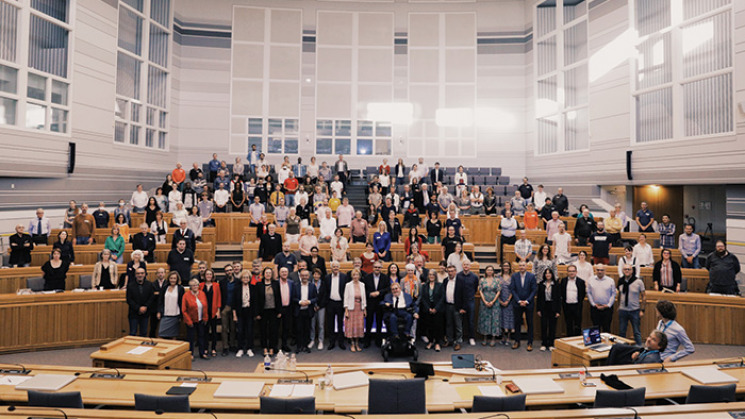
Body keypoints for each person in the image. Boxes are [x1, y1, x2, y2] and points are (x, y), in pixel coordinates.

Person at [510, 261, 537, 351]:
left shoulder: (531, 276)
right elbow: (512, 289)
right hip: (517, 303)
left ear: (526, 267)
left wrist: (526, 301)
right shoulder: (514, 276)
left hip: (528, 303)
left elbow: (534, 290)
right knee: (517, 323)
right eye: (520, 265)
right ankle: (517, 341)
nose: (522, 267)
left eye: (523, 265)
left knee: (530, 323)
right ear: (518, 267)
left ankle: (530, 343)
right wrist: (518, 300)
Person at [617, 264, 645, 345]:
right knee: (622, 332)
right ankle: (622, 350)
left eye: (629, 269)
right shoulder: (620, 281)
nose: (627, 271)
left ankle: (640, 349)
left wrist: (642, 310)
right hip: (623, 310)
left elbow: (644, 296)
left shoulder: (638, 281)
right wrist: (619, 306)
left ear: (632, 271)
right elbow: (619, 295)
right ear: (623, 270)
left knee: (636, 332)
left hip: (635, 310)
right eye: (625, 269)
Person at [231, 270, 257, 358]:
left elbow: (255, 301)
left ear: (249, 278)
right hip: (240, 312)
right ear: (241, 279)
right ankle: (240, 349)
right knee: (240, 331)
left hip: (250, 312)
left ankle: (249, 348)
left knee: (250, 331)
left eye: (247, 277)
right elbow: (233, 303)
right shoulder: (237, 288)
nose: (245, 279)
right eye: (244, 277)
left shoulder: (253, 287)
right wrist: (234, 315)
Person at [196, 269, 221, 357]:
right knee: (205, 331)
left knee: (214, 331)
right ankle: (205, 348)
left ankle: (213, 348)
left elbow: (218, 298)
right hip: (204, 311)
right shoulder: (201, 285)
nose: (209, 276)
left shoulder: (216, 285)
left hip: (213, 310)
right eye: (207, 274)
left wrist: (218, 310)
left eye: (210, 274)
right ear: (205, 276)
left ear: (212, 276)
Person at [291, 269, 317, 354]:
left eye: (306, 275)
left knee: (307, 329)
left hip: (308, 311)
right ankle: (299, 346)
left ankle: (305, 346)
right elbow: (293, 298)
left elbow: (316, 298)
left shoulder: (312, 286)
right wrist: (299, 302)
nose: (304, 277)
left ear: (309, 277)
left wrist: (309, 302)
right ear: (300, 276)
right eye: (303, 275)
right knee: (298, 329)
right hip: (299, 311)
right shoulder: (295, 285)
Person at [257, 267, 281, 356]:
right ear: (263, 274)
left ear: (272, 275)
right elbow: (256, 299)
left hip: (273, 310)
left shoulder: (275, 284)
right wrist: (257, 313)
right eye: (266, 273)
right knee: (263, 330)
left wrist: (279, 311)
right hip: (262, 311)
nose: (268, 274)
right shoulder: (259, 284)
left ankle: (271, 348)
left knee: (273, 330)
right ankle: (264, 348)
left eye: (269, 273)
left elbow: (278, 298)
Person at [182, 279, 209, 359]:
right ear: (190, 287)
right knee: (191, 338)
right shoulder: (186, 295)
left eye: (196, 285)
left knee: (201, 336)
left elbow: (205, 306)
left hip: (201, 320)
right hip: (191, 321)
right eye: (193, 285)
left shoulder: (202, 293)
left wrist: (205, 317)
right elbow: (184, 310)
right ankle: (190, 354)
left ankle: (202, 353)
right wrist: (189, 321)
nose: (195, 287)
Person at [419, 270, 444, 351]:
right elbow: (422, 298)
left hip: (437, 308)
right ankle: (430, 342)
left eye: (433, 274)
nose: (431, 276)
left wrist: (436, 308)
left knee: (437, 326)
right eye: (430, 274)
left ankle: (437, 343)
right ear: (428, 276)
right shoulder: (424, 286)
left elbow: (442, 297)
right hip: (428, 308)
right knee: (429, 326)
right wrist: (428, 308)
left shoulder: (440, 285)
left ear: (435, 276)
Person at [586, 264, 616, 333]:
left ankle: (607, 344)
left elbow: (613, 294)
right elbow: (589, 293)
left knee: (607, 329)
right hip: (595, 308)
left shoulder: (610, 280)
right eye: (598, 270)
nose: (600, 272)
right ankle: (597, 344)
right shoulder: (591, 280)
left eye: (602, 270)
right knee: (595, 329)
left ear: (605, 271)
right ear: (595, 270)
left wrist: (608, 305)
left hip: (607, 309)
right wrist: (593, 304)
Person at [326, 261, 349, 350]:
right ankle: (332, 342)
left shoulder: (344, 277)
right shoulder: (327, 277)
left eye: (337, 266)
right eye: (333, 266)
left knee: (340, 323)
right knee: (330, 324)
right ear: (331, 268)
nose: (335, 268)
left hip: (340, 303)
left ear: (339, 268)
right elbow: (325, 291)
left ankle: (341, 342)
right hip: (330, 303)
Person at [342, 268, 366, 352]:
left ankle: (357, 344)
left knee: (359, 327)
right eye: (354, 275)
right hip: (351, 308)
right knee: (351, 327)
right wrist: (346, 310)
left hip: (359, 308)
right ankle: (352, 344)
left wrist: (364, 308)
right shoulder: (348, 285)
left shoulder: (362, 285)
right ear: (352, 276)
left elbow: (364, 297)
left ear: (359, 276)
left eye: (357, 275)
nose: (355, 276)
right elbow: (346, 298)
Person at [127, 268, 155, 337]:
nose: (140, 275)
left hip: (145, 313)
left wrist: (145, 307)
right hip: (133, 313)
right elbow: (129, 299)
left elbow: (151, 298)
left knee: (144, 333)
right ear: (135, 275)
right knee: (133, 333)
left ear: (145, 274)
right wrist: (138, 308)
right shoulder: (130, 285)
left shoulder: (150, 285)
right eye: (138, 273)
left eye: (142, 273)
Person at [536, 269, 560, 351]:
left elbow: (558, 299)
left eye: (549, 273)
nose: (548, 274)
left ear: (552, 274)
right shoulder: (541, 284)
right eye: (546, 273)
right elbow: (539, 298)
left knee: (552, 326)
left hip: (553, 306)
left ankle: (551, 343)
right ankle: (544, 343)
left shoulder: (556, 284)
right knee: (543, 325)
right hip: (543, 307)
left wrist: (558, 311)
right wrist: (538, 309)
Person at [477, 266, 501, 347]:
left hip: (495, 302)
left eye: (491, 270)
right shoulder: (482, 280)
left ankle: (493, 338)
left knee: (494, 319)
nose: (489, 271)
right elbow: (480, 291)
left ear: (493, 271)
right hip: (484, 302)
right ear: (485, 271)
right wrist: (485, 301)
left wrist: (493, 301)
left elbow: (498, 291)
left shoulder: (497, 280)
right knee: (485, 320)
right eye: (488, 270)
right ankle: (485, 338)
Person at [157, 271, 185, 339]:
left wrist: (182, 315)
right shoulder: (165, 288)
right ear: (168, 279)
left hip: (175, 315)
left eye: (174, 278)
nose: (172, 280)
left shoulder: (180, 288)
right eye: (171, 278)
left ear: (177, 279)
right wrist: (159, 311)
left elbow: (182, 302)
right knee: (161, 333)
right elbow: (160, 301)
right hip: (165, 314)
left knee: (174, 335)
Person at [560, 264, 585, 337]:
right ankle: (569, 340)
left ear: (576, 272)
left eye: (573, 271)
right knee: (568, 324)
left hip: (577, 306)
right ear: (567, 272)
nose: (571, 273)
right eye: (570, 271)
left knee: (577, 325)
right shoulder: (563, 281)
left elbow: (582, 294)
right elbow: (561, 292)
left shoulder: (581, 282)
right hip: (567, 306)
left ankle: (576, 341)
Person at [442, 265, 464, 350]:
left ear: (455, 271)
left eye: (452, 271)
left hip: (457, 306)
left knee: (458, 326)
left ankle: (458, 342)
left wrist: (463, 308)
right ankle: (449, 340)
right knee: (448, 324)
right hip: (448, 305)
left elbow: (464, 295)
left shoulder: (461, 281)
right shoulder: (445, 281)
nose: (450, 273)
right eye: (449, 271)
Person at [219, 265, 239, 355]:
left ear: (233, 271)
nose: (229, 272)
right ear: (225, 272)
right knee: (224, 328)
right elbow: (219, 295)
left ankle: (232, 345)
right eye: (227, 271)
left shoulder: (238, 281)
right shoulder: (222, 282)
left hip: (235, 307)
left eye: (230, 270)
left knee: (233, 328)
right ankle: (225, 347)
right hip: (225, 307)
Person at [276, 267, 295, 353]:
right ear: (279, 273)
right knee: (276, 328)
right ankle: (275, 345)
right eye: (282, 272)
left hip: (288, 308)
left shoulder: (291, 283)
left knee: (286, 328)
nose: (284, 273)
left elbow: (293, 295)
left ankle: (284, 345)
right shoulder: (276, 283)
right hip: (278, 309)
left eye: (285, 272)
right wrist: (278, 310)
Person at [309, 268, 328, 350]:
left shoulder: (324, 284)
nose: (316, 276)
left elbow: (325, 296)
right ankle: (312, 340)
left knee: (320, 325)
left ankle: (321, 341)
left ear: (320, 275)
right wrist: (313, 305)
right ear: (313, 275)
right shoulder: (310, 284)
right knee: (312, 325)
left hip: (321, 307)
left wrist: (319, 306)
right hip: (312, 307)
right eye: (315, 274)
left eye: (318, 274)